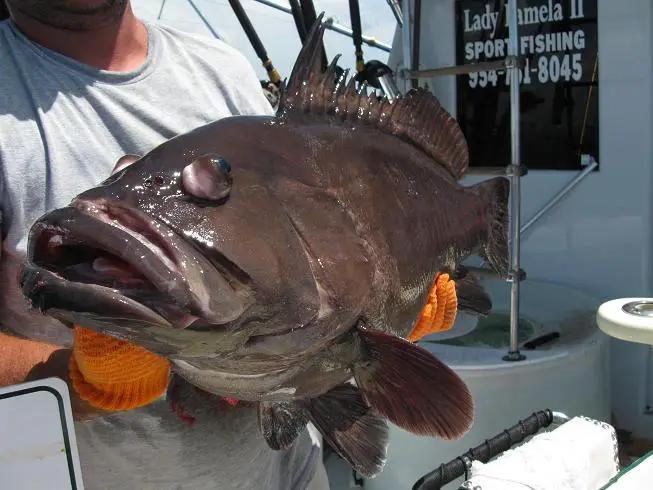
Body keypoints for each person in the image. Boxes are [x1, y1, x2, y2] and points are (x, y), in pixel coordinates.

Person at [0, 1, 331, 489]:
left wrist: (373, 303)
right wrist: (77, 380)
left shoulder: (224, 69)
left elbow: (308, 245)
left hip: (286, 472)